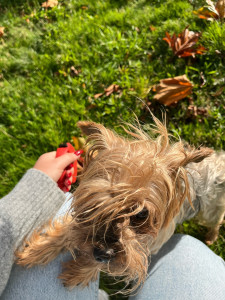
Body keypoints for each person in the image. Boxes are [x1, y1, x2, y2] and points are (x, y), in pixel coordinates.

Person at [1, 152, 225, 299]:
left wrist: (87, 266)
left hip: (213, 189)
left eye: (138, 216)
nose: (104, 249)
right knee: (191, 251)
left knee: (211, 219)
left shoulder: (171, 200)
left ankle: (213, 229)